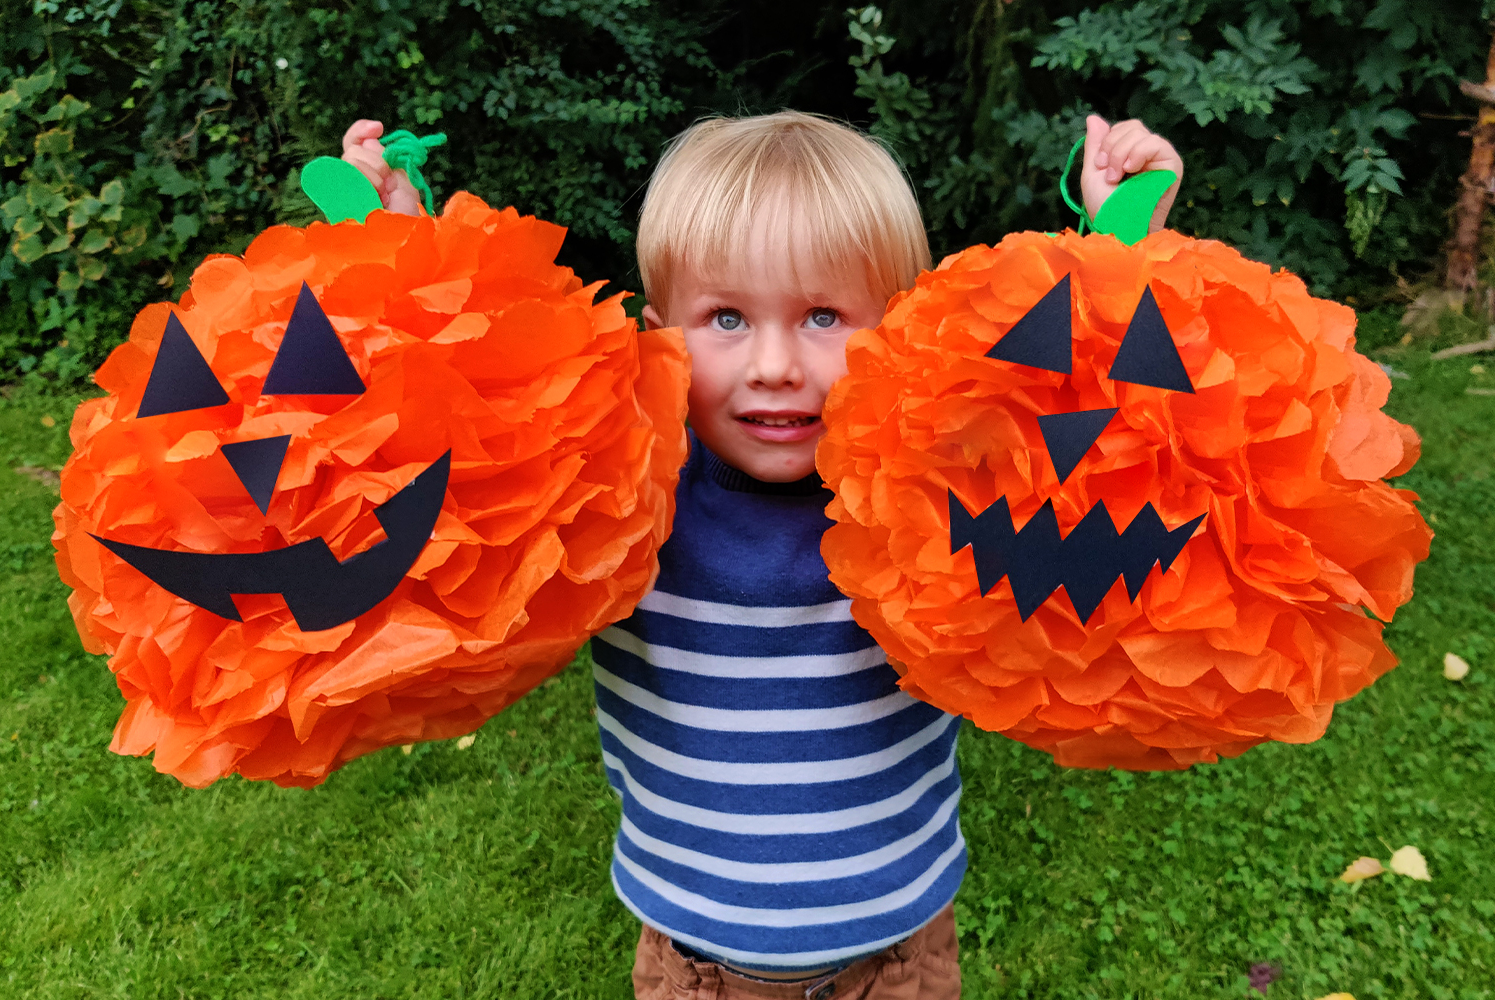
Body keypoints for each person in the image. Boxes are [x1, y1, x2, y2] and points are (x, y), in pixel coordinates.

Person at [343, 111, 1183, 999]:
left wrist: (1123, 241)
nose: (776, 363)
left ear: (901, 330)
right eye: (727, 318)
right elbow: (458, 426)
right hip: (694, 968)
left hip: (896, 963)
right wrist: (397, 240)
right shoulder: (617, 493)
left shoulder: (942, 487)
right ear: (662, 335)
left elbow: (1072, 414)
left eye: (824, 315)